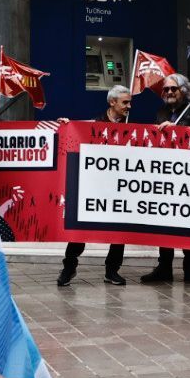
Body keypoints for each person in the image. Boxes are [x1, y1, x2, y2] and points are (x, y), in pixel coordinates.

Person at [59, 85, 130, 287]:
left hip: (119, 188)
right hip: (93, 187)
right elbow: (75, 132)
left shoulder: (133, 126)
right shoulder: (95, 124)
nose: (129, 106)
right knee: (80, 229)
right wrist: (66, 126)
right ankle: (69, 268)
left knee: (118, 230)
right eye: (125, 102)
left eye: (129, 102)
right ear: (112, 102)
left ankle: (112, 271)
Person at [143, 74, 190, 284]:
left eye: (173, 89)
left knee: (188, 223)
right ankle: (164, 267)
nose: (168, 93)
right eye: (166, 89)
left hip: (189, 177)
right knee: (164, 222)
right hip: (165, 177)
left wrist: (178, 129)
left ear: (183, 91)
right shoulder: (161, 112)